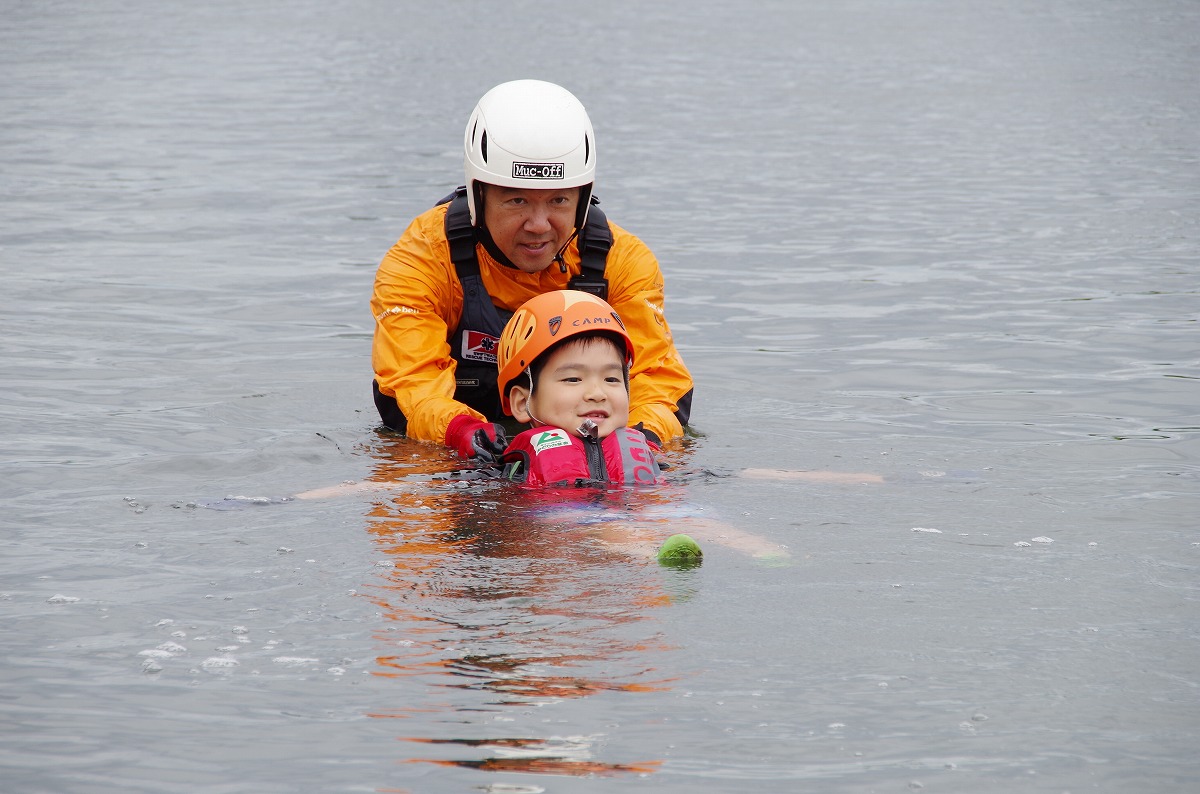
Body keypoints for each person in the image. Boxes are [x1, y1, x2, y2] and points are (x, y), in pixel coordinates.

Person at [370, 79, 693, 465]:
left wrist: (644, 440)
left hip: (594, 449)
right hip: (466, 450)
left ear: (582, 199)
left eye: (558, 201)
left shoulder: (623, 262)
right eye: (517, 200)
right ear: (479, 196)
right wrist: (459, 431)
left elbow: (657, 378)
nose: (539, 225)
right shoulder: (422, 258)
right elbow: (410, 380)